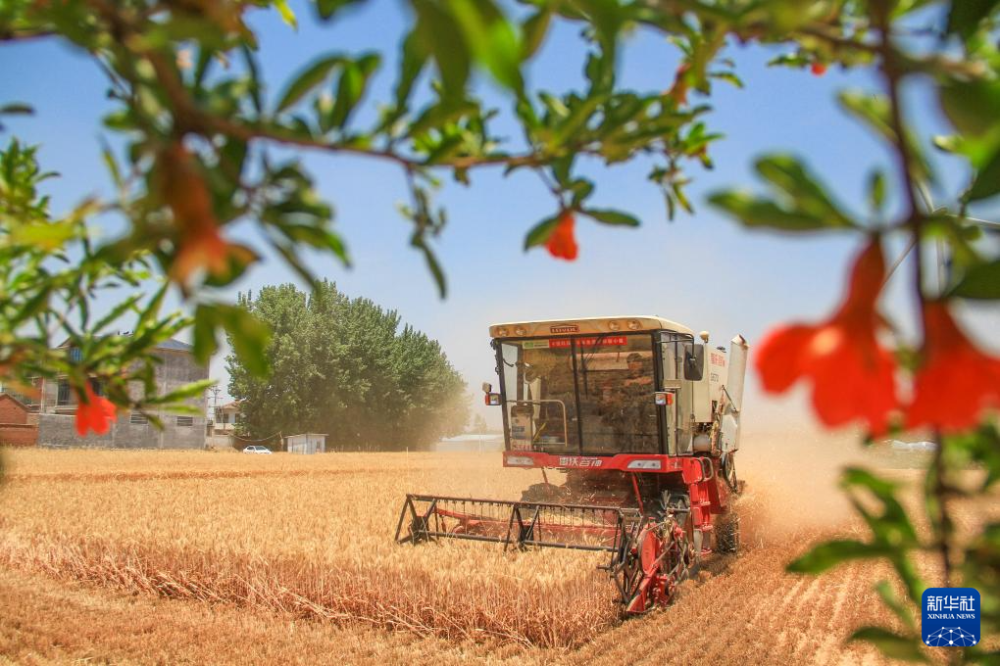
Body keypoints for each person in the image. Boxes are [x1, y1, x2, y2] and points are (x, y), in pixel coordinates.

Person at [600, 352, 655, 451]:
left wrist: (632, 383)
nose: (632, 365)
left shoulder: (650, 374)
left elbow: (648, 383)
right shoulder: (624, 377)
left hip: (647, 410)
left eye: (635, 362)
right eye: (629, 362)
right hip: (628, 412)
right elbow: (618, 388)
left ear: (641, 363)